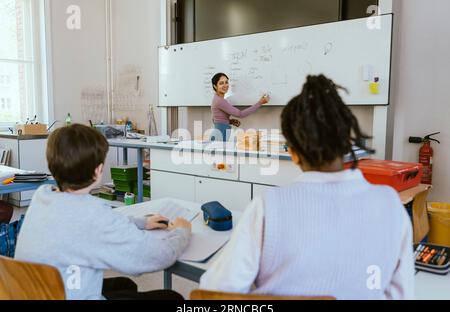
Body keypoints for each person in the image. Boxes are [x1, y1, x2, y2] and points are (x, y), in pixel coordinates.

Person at [199, 75, 415, 300]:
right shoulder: (390, 204)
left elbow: (214, 291)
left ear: (291, 152)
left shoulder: (268, 206)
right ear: (347, 140)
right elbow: (402, 294)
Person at [15, 124, 192, 300]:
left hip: (41, 290)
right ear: (98, 170)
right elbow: (156, 256)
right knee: (171, 297)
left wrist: (141, 223)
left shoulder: (43, 197)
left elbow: (89, 223)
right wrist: (181, 232)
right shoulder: (92, 214)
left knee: (125, 285)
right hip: (65, 295)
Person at [211, 73, 270, 141]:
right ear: (215, 86)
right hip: (219, 137)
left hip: (219, 135)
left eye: (226, 82)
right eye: (221, 83)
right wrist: (260, 102)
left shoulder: (216, 99)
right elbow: (240, 114)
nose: (225, 85)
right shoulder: (219, 101)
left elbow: (214, 119)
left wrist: (229, 121)